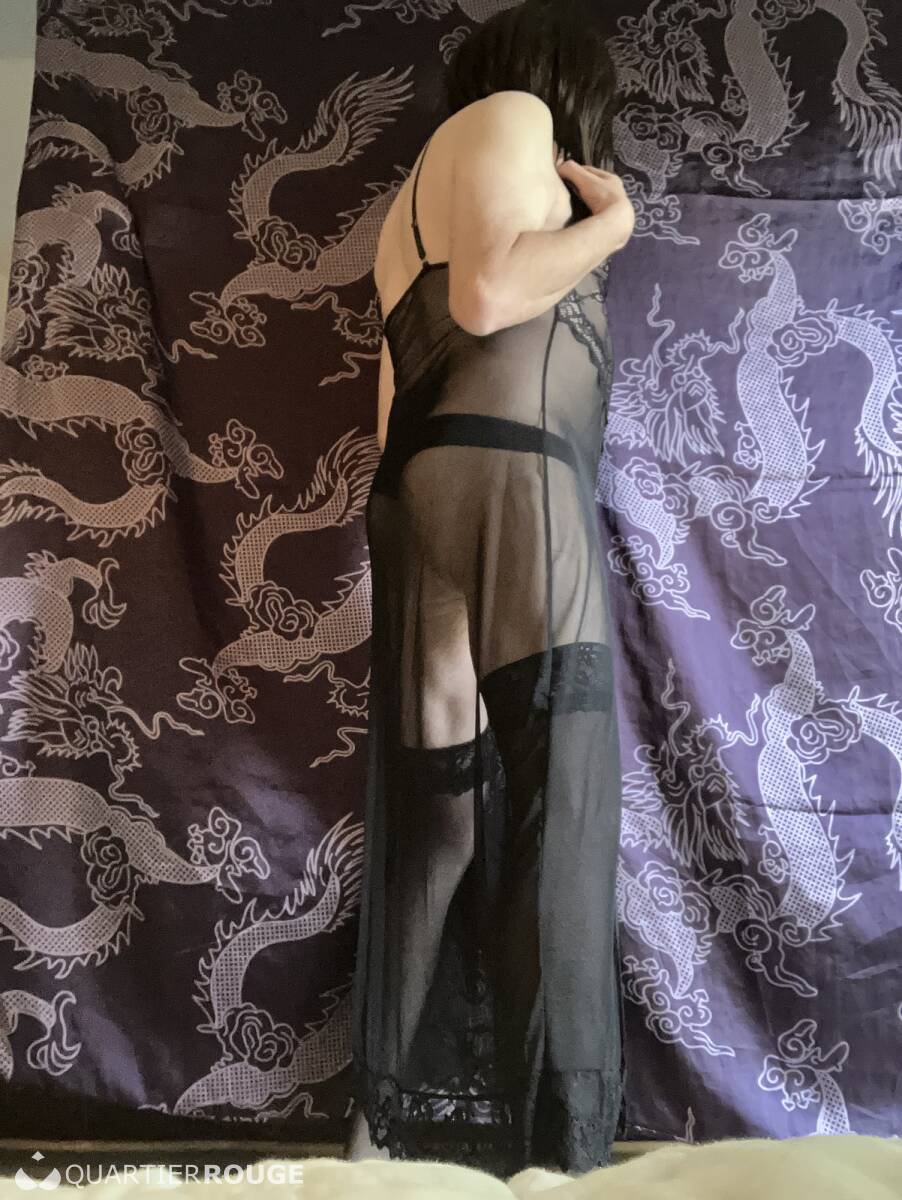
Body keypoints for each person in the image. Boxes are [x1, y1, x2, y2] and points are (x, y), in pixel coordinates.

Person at [347, 0, 636, 1178]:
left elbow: (398, 401)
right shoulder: (513, 117)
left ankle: (372, 1145)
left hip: (421, 496)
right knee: (561, 796)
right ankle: (562, 1162)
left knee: (442, 822)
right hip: (516, 481)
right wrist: (612, 225)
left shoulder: (406, 205)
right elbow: (484, 302)